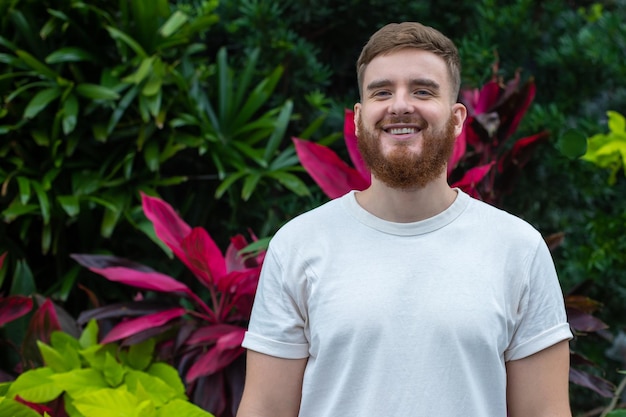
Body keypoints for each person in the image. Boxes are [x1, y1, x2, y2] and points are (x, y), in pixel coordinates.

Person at [236, 22, 573, 417]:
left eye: (423, 90)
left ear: (457, 117)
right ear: (359, 118)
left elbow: (545, 411)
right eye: (382, 91)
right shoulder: (299, 244)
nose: (400, 105)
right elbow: (265, 408)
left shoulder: (518, 248)